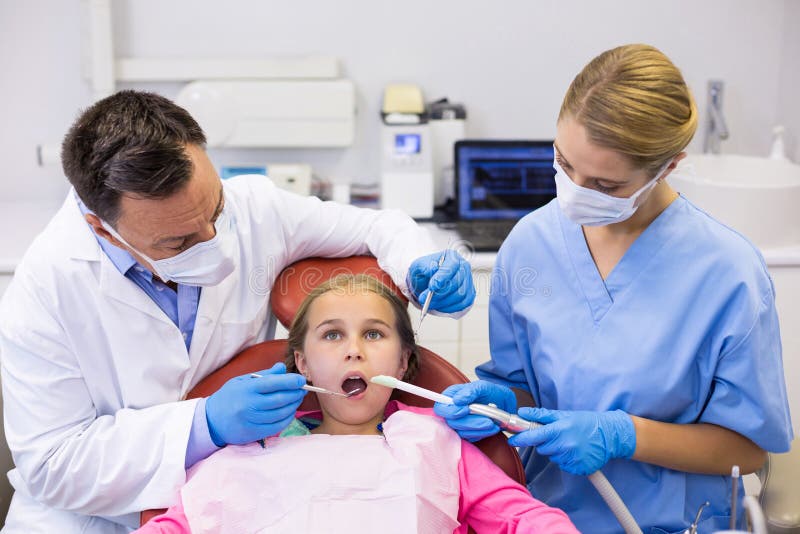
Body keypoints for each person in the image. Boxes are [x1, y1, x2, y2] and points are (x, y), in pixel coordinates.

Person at [0, 90, 475, 533]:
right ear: (102, 229)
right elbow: (52, 464)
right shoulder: (44, 289)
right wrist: (202, 425)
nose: (215, 243)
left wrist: (418, 266)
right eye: (178, 241)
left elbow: (376, 225)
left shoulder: (254, 208)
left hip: (234, 499)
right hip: (92, 518)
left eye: (215, 210)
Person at [434, 44, 793, 533]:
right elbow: (522, 388)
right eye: (563, 164)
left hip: (671, 523)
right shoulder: (531, 243)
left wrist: (625, 436)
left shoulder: (728, 272)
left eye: (605, 185)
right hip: (544, 518)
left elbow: (747, 448)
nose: (576, 192)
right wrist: (495, 404)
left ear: (668, 167)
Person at [135, 274, 579, 533]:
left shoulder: (436, 441)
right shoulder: (250, 446)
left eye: (373, 334)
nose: (354, 350)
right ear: (302, 364)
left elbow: (523, 519)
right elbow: (177, 525)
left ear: (403, 362)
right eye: (332, 334)